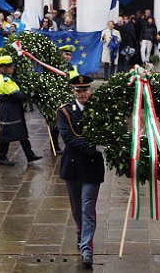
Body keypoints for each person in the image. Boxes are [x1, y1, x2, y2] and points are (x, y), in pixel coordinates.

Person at [57, 75, 104, 268]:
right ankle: (80, 231)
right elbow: (69, 139)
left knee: (87, 208)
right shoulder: (65, 111)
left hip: (92, 167)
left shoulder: (100, 109)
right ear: (73, 92)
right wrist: (94, 147)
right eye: (78, 90)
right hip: (74, 165)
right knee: (77, 208)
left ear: (90, 90)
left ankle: (86, 250)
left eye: (85, 90)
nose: (82, 93)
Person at [0, 56, 43, 166]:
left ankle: (29, 155)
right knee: (6, 133)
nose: (12, 68)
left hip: (14, 108)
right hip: (8, 109)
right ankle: (1, 157)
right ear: (3, 68)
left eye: (12, 66)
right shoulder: (5, 81)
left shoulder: (10, 78)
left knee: (21, 132)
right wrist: (31, 95)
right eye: (9, 66)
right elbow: (18, 95)